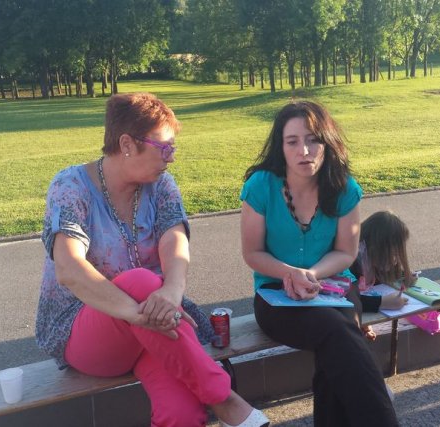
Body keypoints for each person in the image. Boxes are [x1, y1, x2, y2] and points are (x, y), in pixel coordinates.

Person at [35, 93, 268, 427]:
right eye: (164, 148)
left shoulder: (160, 185)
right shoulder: (70, 187)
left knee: (182, 413)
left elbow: (174, 241)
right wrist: (136, 314)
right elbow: (69, 269)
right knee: (142, 280)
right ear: (127, 144)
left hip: (155, 324)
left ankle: (214, 397)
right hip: (83, 329)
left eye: (173, 148)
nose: (170, 158)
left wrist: (171, 292)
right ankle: (224, 399)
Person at [239, 100, 398, 426]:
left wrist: (311, 274)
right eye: (292, 141)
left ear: (328, 142)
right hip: (275, 293)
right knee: (339, 334)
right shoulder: (260, 187)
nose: (304, 151)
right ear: (280, 147)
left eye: (313, 140)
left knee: (336, 350)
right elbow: (252, 253)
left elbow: (345, 252)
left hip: (334, 286)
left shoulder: (344, 188)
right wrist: (291, 274)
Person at [350, 210, 412, 340]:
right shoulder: (351, 261)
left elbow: (389, 272)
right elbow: (345, 299)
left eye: (398, 254)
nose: (395, 260)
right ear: (377, 247)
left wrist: (403, 276)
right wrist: (382, 302)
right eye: (393, 253)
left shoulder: (374, 260)